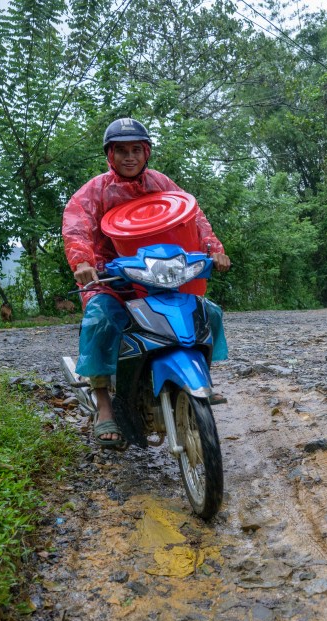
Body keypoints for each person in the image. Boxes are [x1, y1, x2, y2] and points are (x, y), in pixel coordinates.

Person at [61, 117, 232, 447]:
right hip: (112, 277)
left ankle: (198, 379)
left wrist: (214, 249)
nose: (130, 157)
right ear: (110, 155)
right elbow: (76, 226)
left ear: (146, 152)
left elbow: (194, 218)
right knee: (100, 319)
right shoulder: (94, 191)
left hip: (162, 276)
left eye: (136, 150)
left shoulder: (162, 184)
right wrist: (82, 261)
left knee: (206, 312)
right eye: (121, 151)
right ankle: (105, 406)